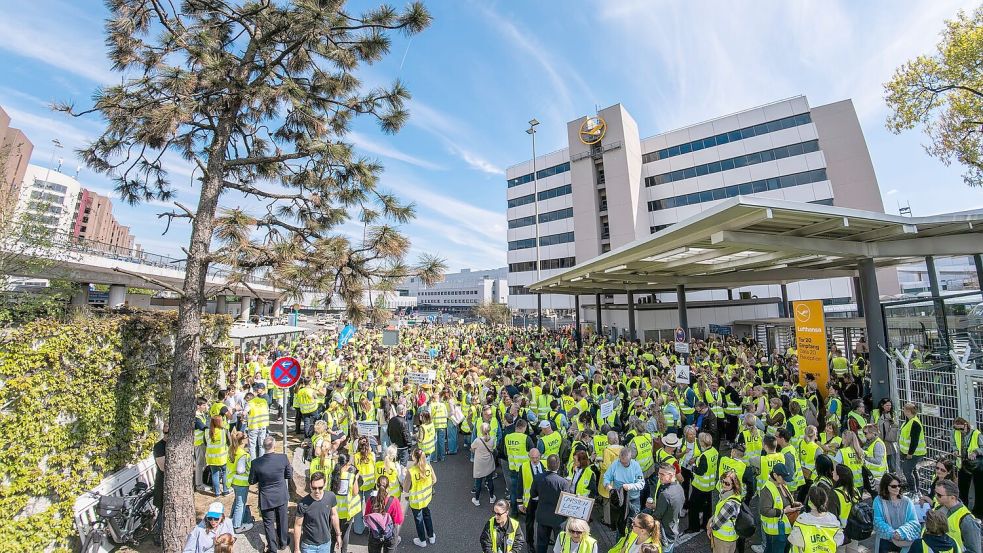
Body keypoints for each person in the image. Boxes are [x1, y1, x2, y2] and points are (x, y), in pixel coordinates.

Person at [249, 435, 292, 553]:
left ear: (263, 446)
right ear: (274, 445)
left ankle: (272, 549)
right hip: (281, 495)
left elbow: (251, 481)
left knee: (268, 524)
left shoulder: (256, 463)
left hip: (266, 497)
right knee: (282, 520)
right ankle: (283, 543)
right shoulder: (283, 458)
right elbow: (289, 475)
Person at [752, 464, 798, 553]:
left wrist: (794, 504)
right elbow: (764, 510)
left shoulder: (781, 484)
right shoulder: (767, 489)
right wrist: (784, 511)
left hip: (782, 529)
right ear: (775, 475)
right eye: (783, 477)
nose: (785, 481)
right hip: (775, 532)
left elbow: (784, 500)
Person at [531, 454, 572, 553]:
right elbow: (567, 502)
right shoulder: (563, 482)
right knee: (560, 544)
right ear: (558, 465)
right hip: (558, 519)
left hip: (542, 516)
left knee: (541, 543)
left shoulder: (538, 478)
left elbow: (533, 495)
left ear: (547, 464)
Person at [293, 471, 340, 553]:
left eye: (320, 487)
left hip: (325, 545)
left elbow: (334, 516)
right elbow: (298, 525)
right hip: (308, 547)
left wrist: (338, 535)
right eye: (314, 488)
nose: (317, 491)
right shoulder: (303, 504)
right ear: (310, 485)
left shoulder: (331, 496)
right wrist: (297, 548)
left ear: (325, 485)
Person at [872, 473, 920, 553]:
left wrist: (901, 533)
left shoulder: (907, 501)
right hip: (886, 541)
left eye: (899, 485)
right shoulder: (878, 501)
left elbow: (914, 522)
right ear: (886, 486)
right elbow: (877, 521)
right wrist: (893, 534)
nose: (897, 488)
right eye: (894, 486)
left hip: (904, 541)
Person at [788, 486, 843, 553]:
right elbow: (839, 540)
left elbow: (794, 540)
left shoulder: (802, 519)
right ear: (826, 500)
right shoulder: (832, 519)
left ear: (809, 501)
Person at [934, 478, 982, 553]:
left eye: (939, 495)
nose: (936, 496)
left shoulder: (966, 520)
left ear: (952, 497)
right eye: (935, 493)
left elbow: (974, 551)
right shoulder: (938, 508)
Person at [604, 446, 645, 530]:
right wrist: (608, 485)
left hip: (633, 499)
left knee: (633, 524)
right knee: (620, 524)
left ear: (630, 459)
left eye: (625, 463)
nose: (623, 464)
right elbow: (606, 477)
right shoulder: (615, 464)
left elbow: (641, 484)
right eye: (621, 462)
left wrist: (630, 486)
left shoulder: (636, 466)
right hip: (620, 500)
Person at [403, 447, 437, 548]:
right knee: (427, 515)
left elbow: (405, 489)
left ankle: (422, 540)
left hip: (416, 501)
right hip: (426, 498)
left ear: (414, 458)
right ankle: (431, 536)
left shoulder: (411, 471)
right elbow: (434, 480)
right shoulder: (428, 466)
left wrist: (405, 476)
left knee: (419, 519)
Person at [952, 417, 983, 517]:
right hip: (963, 463)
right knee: (962, 489)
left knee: (979, 489)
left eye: (961, 429)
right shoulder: (954, 432)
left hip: (976, 465)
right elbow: (953, 444)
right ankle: (963, 510)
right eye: (956, 429)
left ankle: (978, 512)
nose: (959, 431)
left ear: (966, 425)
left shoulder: (976, 434)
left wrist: (975, 452)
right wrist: (955, 450)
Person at [689, 431, 719, 534]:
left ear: (702, 443)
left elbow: (701, 472)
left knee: (693, 507)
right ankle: (706, 524)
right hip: (710, 485)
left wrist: (693, 468)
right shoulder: (714, 451)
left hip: (700, 486)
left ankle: (694, 527)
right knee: (707, 507)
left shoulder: (704, 456)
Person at [650, 462, 684, 552]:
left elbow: (657, 516)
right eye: (658, 473)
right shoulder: (679, 488)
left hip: (664, 534)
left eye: (662, 474)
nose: (658, 476)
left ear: (671, 475)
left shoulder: (665, 495)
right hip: (674, 529)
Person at [364, 476, 404, 553]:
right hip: (390, 534)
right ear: (388, 486)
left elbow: (367, 517)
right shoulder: (394, 500)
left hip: (375, 534)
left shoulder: (371, 500)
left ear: (376, 486)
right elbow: (399, 520)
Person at [707, 470, 742, 553]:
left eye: (727, 483)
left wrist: (709, 526)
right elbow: (719, 512)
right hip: (728, 538)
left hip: (723, 540)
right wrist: (711, 519)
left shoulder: (729, 503)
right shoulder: (729, 494)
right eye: (722, 481)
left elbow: (717, 524)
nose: (723, 485)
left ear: (734, 484)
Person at [332, 452, 361, 553]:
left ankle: (331, 550)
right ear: (347, 463)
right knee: (345, 533)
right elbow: (355, 492)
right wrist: (356, 478)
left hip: (335, 510)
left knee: (334, 531)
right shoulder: (350, 475)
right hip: (347, 510)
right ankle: (343, 551)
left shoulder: (334, 473)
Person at [227, 430, 254, 534]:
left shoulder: (232, 449)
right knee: (240, 504)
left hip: (233, 481)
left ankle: (232, 518)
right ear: (243, 441)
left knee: (236, 501)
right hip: (241, 483)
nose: (248, 439)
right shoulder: (243, 454)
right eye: (246, 437)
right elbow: (240, 470)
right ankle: (237, 526)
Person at [832, 464, 861, 553]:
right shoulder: (855, 490)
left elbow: (832, 516)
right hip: (854, 531)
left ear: (839, 477)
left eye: (834, 472)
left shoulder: (835, 493)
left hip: (841, 533)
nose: (832, 472)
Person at [899, 403, 926, 493]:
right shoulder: (909, 421)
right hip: (910, 452)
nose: (903, 411)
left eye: (904, 410)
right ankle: (916, 490)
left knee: (907, 471)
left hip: (914, 453)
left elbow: (915, 440)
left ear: (908, 411)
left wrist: (910, 453)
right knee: (912, 470)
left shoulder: (914, 423)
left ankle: (913, 490)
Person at [473, 422, 499, 506]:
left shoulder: (477, 440)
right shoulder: (491, 440)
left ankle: (476, 499)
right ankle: (491, 497)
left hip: (479, 463)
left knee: (478, 482)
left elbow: (472, 448)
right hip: (489, 462)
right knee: (490, 480)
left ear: (481, 430)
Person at [205, 415, 230, 497]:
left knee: (215, 474)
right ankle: (225, 491)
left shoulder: (207, 431)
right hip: (222, 457)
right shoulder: (224, 430)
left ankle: (216, 493)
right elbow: (229, 442)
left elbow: (205, 443)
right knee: (225, 473)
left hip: (211, 458)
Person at [875, 399, 900, 473]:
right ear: (882, 406)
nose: (889, 407)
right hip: (879, 439)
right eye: (887, 405)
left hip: (889, 440)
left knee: (891, 459)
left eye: (890, 405)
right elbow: (872, 424)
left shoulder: (893, 414)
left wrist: (892, 422)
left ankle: (892, 473)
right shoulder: (875, 413)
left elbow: (896, 426)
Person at [152, 423, 167, 545]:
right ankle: (158, 536)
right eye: (166, 433)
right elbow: (163, 467)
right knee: (162, 511)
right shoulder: (159, 447)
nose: (168, 435)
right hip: (162, 484)